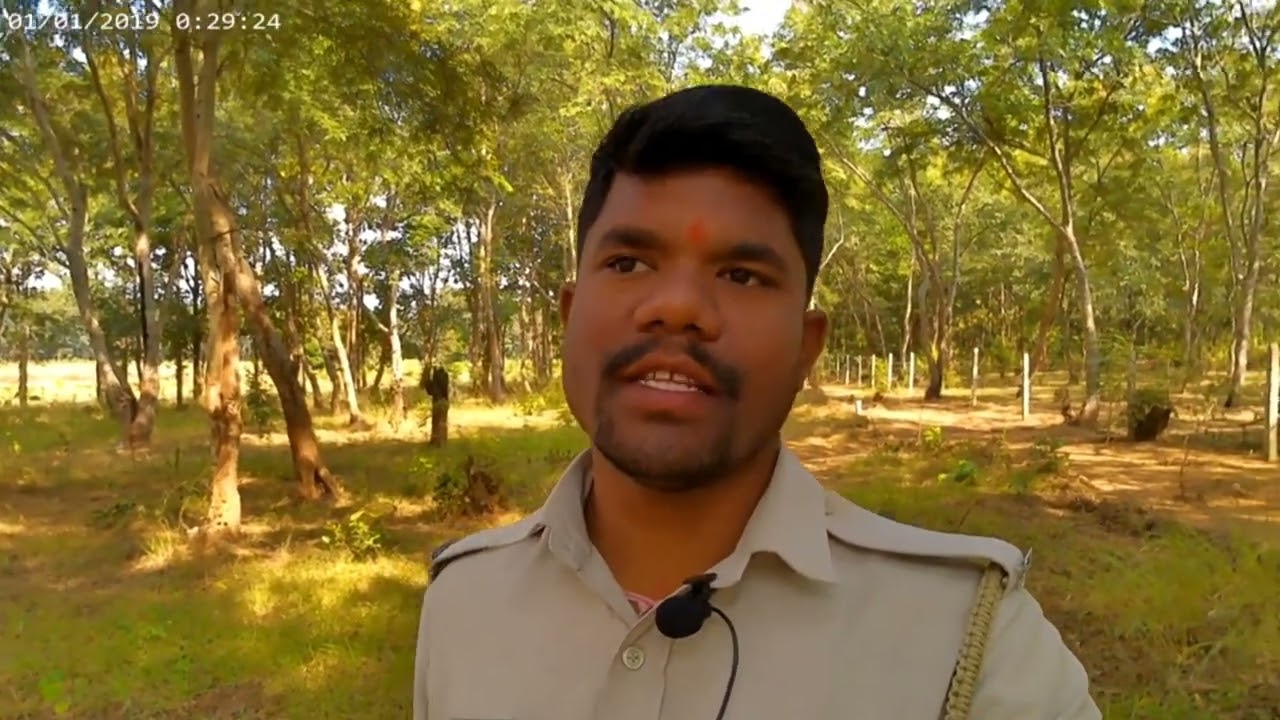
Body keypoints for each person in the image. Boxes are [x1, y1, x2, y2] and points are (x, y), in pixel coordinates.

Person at [412, 84, 1101, 720]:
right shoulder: (462, 602)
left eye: (741, 274)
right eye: (628, 264)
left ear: (807, 347)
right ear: (569, 315)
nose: (677, 307)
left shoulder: (970, 638)